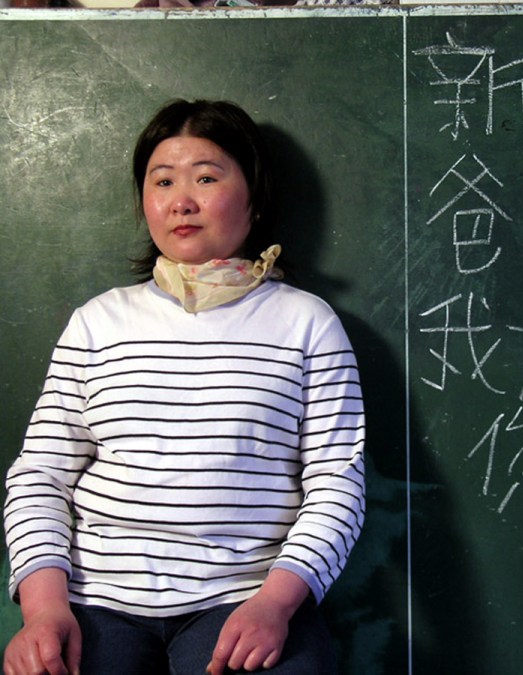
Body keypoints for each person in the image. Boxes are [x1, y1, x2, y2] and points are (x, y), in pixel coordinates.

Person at [3, 99, 365, 675]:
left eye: (206, 178)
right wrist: (43, 611)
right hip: (96, 599)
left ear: (255, 197)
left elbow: (337, 483)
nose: (181, 201)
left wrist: (275, 604)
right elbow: (40, 475)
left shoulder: (307, 323)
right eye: (163, 180)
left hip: (243, 597)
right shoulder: (98, 323)